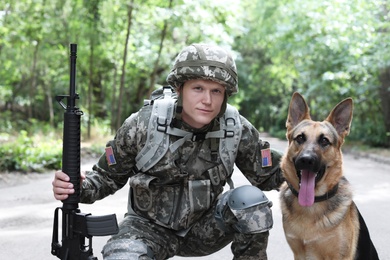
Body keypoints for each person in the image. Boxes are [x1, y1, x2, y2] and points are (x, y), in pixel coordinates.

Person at [52, 43, 284, 260]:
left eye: (216, 91)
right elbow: (106, 177)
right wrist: (77, 186)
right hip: (147, 229)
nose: (207, 100)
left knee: (250, 202)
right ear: (179, 88)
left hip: (205, 230)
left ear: (225, 96)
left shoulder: (234, 127)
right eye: (198, 88)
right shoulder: (143, 124)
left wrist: (312, 167)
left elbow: (272, 174)